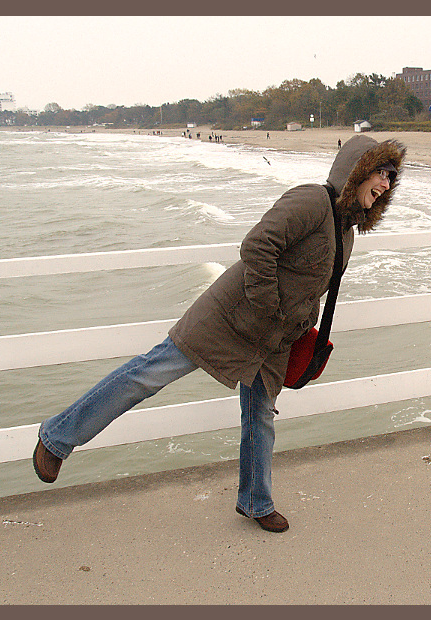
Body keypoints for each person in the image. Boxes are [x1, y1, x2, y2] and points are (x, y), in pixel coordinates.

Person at [33, 134, 406, 533]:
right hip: (229, 318)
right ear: (355, 171)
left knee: (260, 415)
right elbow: (258, 245)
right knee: (147, 374)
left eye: (390, 177)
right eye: (379, 173)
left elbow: (308, 285)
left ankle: (255, 501)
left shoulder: (346, 232)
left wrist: (296, 327)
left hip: (273, 340)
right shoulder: (311, 201)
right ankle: (56, 437)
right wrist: (268, 305)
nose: (385, 183)